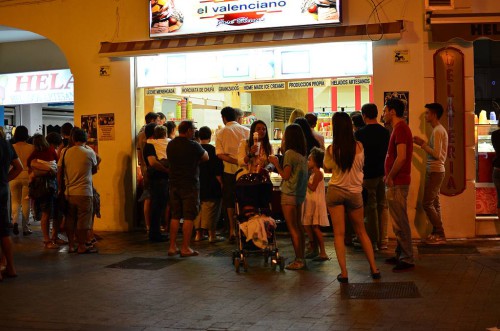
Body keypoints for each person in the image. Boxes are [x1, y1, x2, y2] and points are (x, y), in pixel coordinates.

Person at [324, 112, 380, 283]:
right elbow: (361, 166)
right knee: (361, 232)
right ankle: (374, 268)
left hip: (335, 191)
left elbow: (327, 168)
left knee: (339, 234)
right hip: (355, 193)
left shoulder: (332, 149)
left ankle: (344, 273)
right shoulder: (360, 147)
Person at [269, 124, 308, 270]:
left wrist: (275, 163)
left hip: (289, 194)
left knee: (293, 228)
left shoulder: (290, 154)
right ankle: (301, 258)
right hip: (299, 194)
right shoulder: (301, 155)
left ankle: (298, 259)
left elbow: (285, 175)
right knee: (299, 227)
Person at [167, 120, 208, 257]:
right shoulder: (193, 145)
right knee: (189, 216)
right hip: (189, 185)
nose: (195, 131)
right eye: (194, 129)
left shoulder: (171, 144)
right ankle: (185, 247)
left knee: (175, 216)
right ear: (189, 130)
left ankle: (172, 247)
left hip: (173, 184)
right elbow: (206, 157)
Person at [383, 98, 415, 272]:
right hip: (395, 181)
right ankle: (400, 253)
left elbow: (401, 157)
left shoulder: (401, 129)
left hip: (398, 182)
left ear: (392, 111)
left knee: (400, 221)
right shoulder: (398, 129)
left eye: (384, 110)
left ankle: (407, 258)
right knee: (397, 221)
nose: (383, 114)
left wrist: (390, 176)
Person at [355, 103, 390, 251]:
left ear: (364, 115)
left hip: (367, 174)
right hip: (383, 173)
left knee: (371, 208)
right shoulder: (385, 132)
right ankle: (384, 241)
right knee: (383, 206)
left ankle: (373, 242)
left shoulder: (359, 133)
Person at [58, 128, 98, 254]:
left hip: (69, 192)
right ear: (85, 139)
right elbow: (95, 169)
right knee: (83, 220)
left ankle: (70, 246)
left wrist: (60, 188)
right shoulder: (89, 152)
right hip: (85, 192)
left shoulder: (65, 152)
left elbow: (59, 172)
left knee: (70, 219)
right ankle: (81, 245)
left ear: (73, 138)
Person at [413, 103, 449, 244]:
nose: (426, 116)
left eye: (427, 113)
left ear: (434, 114)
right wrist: (422, 144)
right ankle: (436, 233)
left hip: (435, 171)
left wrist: (422, 144)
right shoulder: (437, 130)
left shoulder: (438, 131)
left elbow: (437, 154)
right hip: (434, 171)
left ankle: (440, 232)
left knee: (427, 203)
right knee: (434, 203)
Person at [216, 106, 250, 243]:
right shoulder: (247, 130)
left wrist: (235, 160)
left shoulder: (221, 132)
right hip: (245, 172)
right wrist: (241, 161)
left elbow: (220, 154)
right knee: (245, 199)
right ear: (237, 117)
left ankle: (232, 229)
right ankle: (246, 228)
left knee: (229, 201)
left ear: (224, 118)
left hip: (229, 172)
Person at [27, 134, 59, 249]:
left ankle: (49, 238)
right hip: (50, 185)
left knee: (46, 212)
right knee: (49, 212)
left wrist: (37, 168)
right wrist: (49, 169)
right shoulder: (51, 150)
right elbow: (57, 161)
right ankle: (48, 239)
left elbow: (29, 164)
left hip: (39, 186)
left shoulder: (34, 153)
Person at [194, 126, 224, 243]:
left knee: (198, 209)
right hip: (212, 185)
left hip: (198, 183)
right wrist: (222, 183)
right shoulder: (213, 150)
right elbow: (217, 171)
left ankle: (198, 234)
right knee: (212, 209)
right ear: (210, 136)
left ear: (198, 136)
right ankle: (212, 235)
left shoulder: (195, 149)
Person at [0, 134, 23, 280]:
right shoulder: (6, 144)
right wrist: (4, 180)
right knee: (3, 232)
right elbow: (18, 167)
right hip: (2, 191)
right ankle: (11, 268)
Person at [142, 123, 169, 242]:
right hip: (158, 179)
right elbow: (153, 163)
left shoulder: (151, 144)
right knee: (157, 206)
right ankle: (154, 234)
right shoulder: (150, 146)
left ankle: (155, 232)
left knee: (157, 206)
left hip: (157, 178)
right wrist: (167, 170)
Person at [303, 147, 329, 262]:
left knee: (315, 227)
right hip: (311, 203)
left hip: (316, 204)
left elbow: (313, 187)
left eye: (310, 160)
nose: (308, 162)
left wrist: (304, 180)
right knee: (308, 225)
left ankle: (322, 252)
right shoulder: (314, 173)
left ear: (316, 161)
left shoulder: (318, 173)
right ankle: (314, 247)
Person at [137, 112, 160, 234]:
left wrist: (141, 166)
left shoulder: (140, 134)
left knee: (148, 196)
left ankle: (148, 224)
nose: (158, 123)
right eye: (157, 120)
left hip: (145, 168)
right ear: (152, 120)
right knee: (150, 196)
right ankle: (150, 225)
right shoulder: (149, 138)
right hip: (151, 169)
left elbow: (139, 153)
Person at [9, 126, 34, 236]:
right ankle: (25, 227)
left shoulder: (11, 147)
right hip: (27, 176)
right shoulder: (32, 147)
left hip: (13, 175)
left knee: (15, 201)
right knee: (25, 202)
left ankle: (14, 221)